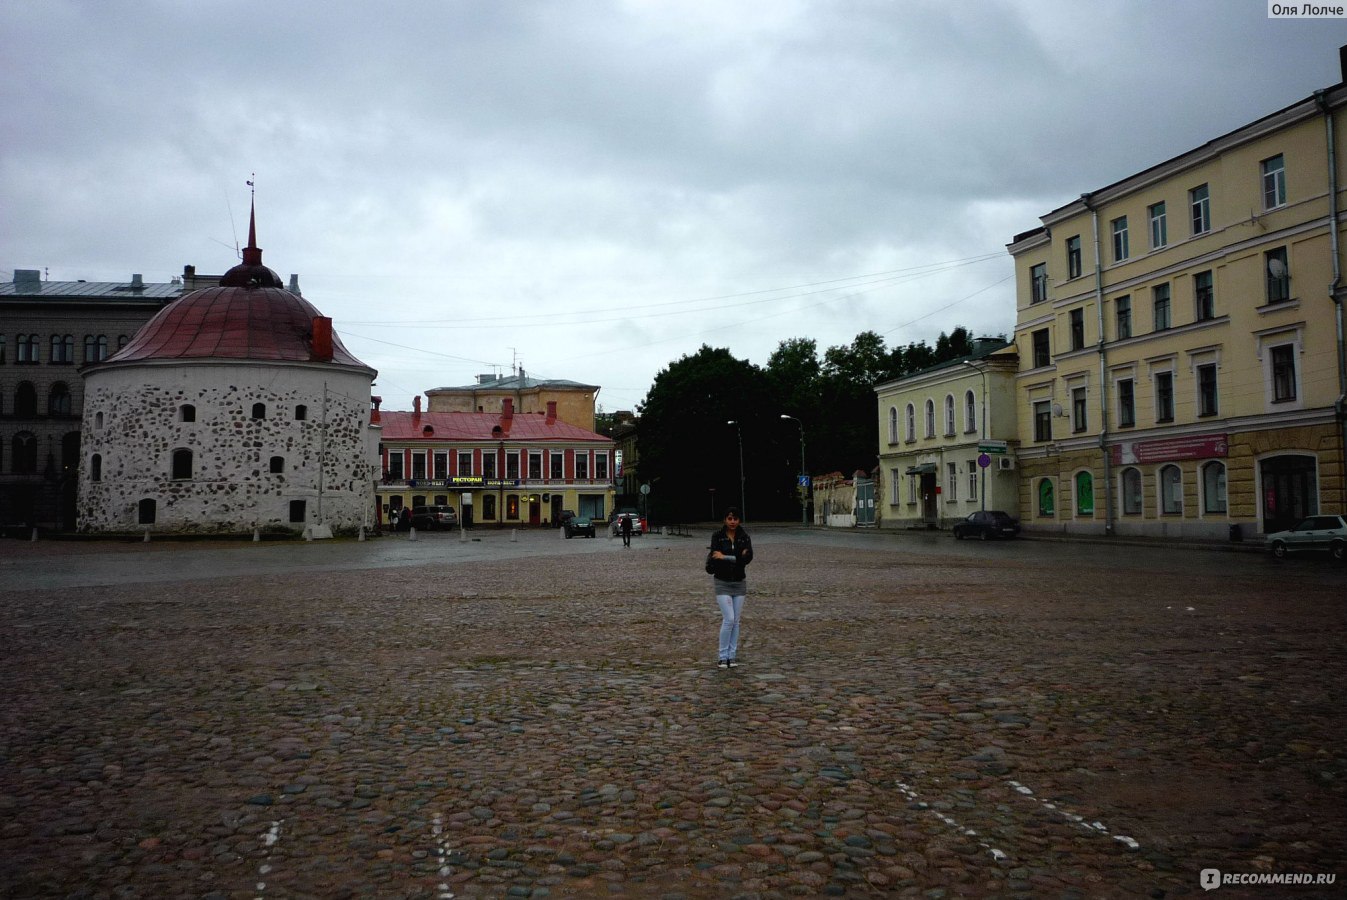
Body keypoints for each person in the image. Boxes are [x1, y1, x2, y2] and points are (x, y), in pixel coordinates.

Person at [706, 507, 753, 669]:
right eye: (730, 518)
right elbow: (715, 557)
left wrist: (725, 556)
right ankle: (722, 655)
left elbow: (747, 559)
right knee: (729, 619)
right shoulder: (717, 537)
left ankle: (731, 656)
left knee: (736, 621)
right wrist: (737, 557)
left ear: (739, 520)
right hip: (722, 582)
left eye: (735, 519)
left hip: (739, 582)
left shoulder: (744, 537)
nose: (733, 522)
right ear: (725, 520)